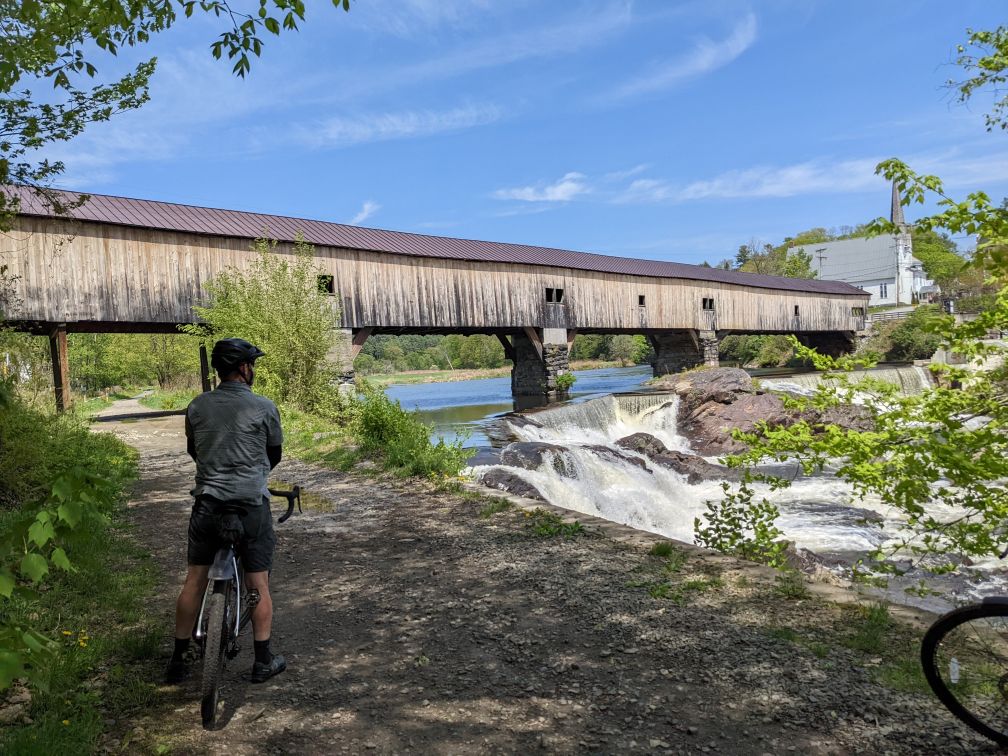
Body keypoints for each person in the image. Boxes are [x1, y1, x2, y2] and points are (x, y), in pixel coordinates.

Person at [165, 338, 287, 684]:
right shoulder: (264, 407)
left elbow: (195, 450)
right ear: (244, 368)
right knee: (257, 582)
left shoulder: (197, 406)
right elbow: (274, 454)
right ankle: (262, 660)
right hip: (250, 505)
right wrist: (252, 475)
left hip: (208, 504)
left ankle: (178, 659)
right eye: (252, 365)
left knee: (195, 578)